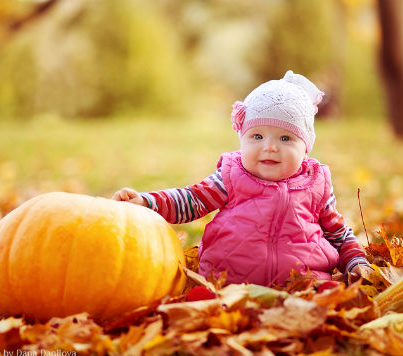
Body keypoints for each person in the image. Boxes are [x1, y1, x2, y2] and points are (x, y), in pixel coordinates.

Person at [113, 70, 370, 286]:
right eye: (257, 137)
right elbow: (190, 200)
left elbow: (339, 234)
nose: (269, 147)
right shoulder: (230, 176)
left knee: (328, 302)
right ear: (242, 138)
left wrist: (356, 261)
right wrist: (147, 203)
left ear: (306, 147)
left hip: (302, 289)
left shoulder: (317, 184)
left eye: (285, 138)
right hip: (229, 286)